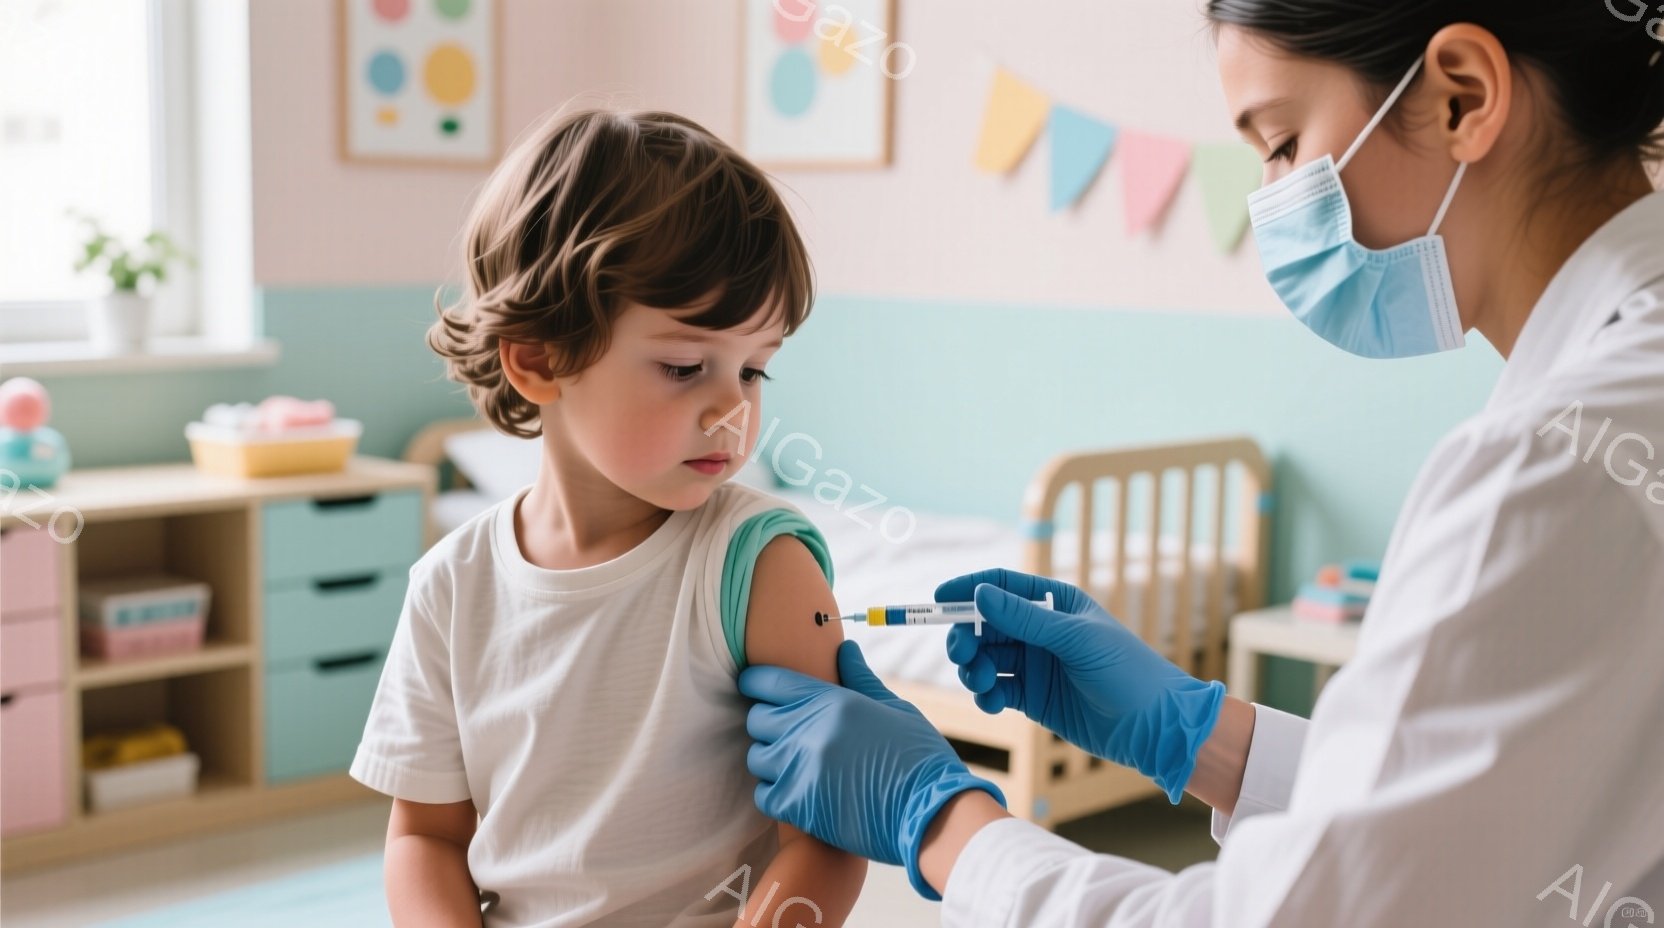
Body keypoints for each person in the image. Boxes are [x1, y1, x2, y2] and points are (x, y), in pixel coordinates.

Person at [737, 2, 1664, 924]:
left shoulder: (1556, 464)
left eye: (1284, 143)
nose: (1272, 204)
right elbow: (1454, 823)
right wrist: (1200, 734)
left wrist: (942, 821)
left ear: (1463, 97)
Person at [350, 108, 868, 927]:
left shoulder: (760, 568)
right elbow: (425, 837)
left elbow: (828, 832)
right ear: (539, 359)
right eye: (685, 366)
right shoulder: (450, 587)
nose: (733, 409)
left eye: (754, 371)